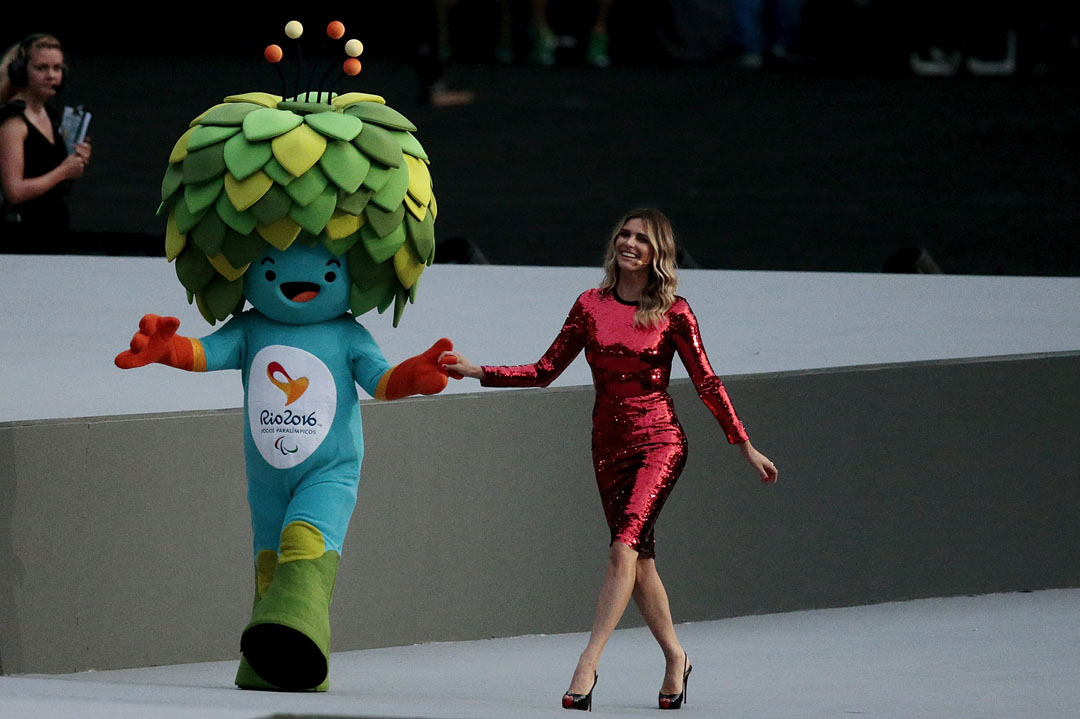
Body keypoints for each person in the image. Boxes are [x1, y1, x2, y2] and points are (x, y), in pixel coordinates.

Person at [440, 208, 778, 711]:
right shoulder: (589, 305)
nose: (630, 243)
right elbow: (545, 370)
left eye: (643, 238)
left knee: (622, 550)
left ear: (657, 253)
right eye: (625, 233)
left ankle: (587, 663)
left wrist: (743, 443)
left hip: (660, 440)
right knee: (640, 562)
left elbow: (707, 382)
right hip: (608, 446)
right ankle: (675, 659)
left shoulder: (675, 312)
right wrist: (477, 370)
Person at [0, 33, 90, 251]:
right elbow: (14, 191)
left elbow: (56, 179)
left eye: (57, 68)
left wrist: (76, 162)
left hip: (54, 229)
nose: (51, 75)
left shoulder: (52, 116)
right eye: (41, 68)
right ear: (22, 72)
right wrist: (63, 171)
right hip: (22, 235)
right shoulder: (13, 121)